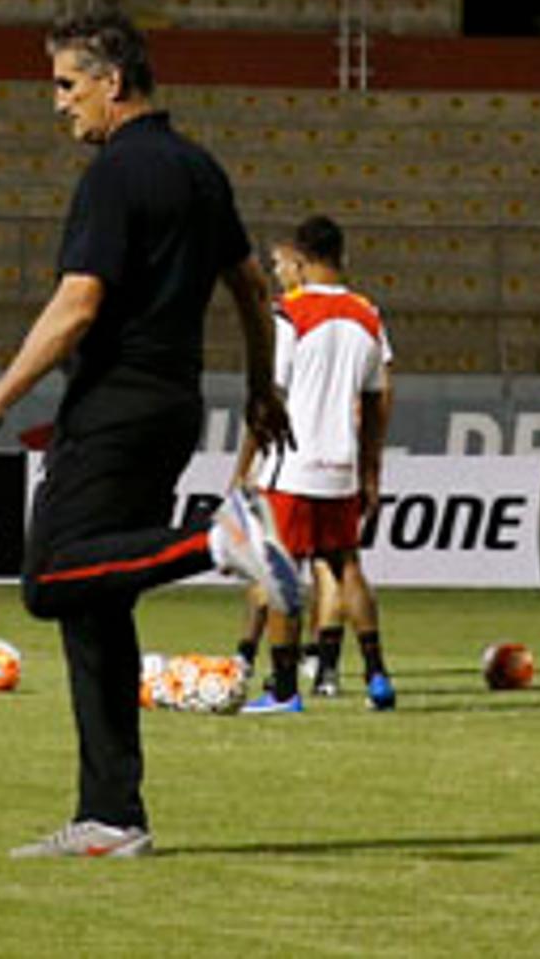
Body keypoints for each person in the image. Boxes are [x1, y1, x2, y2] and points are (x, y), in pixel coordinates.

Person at [0, 7, 297, 860]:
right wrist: (260, 387)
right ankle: (112, 816)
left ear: (112, 81)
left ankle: (219, 540)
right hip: (174, 403)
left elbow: (79, 303)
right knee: (96, 607)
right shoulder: (199, 169)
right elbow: (253, 290)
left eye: (67, 84)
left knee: (51, 578)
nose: (59, 103)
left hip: (115, 403)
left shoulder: (114, 176)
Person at [236, 214, 394, 715]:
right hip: (341, 464)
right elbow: (378, 397)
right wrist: (371, 470)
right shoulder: (368, 314)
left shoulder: (289, 313)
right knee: (346, 566)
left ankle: (284, 689)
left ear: (302, 261)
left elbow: (268, 397)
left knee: (280, 573)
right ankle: (377, 677)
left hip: (293, 464)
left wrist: (243, 465)